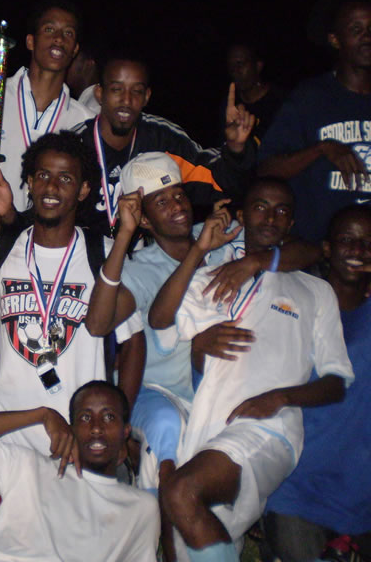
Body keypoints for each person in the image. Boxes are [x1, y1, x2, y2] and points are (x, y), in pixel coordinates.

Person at [85, 153, 320, 560]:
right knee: (167, 430)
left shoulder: (219, 231)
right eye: (160, 202)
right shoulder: (143, 267)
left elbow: (308, 250)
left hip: (219, 391)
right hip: (159, 392)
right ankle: (159, 546)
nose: (176, 206)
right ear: (144, 220)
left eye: (178, 195)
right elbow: (98, 323)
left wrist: (254, 260)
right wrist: (125, 235)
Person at [150, 178, 354, 561]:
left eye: (281, 211)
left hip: (269, 428)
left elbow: (336, 382)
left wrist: (281, 397)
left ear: (291, 223)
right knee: (186, 543)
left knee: (181, 491)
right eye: (260, 207)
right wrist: (198, 341)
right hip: (207, 425)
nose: (271, 218)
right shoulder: (214, 276)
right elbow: (160, 318)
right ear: (242, 216)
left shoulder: (314, 289)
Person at [0, 381, 160, 561]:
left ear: (125, 431)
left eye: (109, 417)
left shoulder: (141, 507)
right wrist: (40, 415)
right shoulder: (32, 467)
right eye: (85, 417)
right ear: (71, 429)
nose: (96, 428)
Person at [265, 205, 371, 562]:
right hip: (298, 484)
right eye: (347, 240)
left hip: (366, 487)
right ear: (326, 249)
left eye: (369, 243)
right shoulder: (294, 303)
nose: (358, 251)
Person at [0, 131, 108, 454]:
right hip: (9, 424)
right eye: (43, 175)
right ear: (29, 182)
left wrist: (121, 421)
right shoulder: (3, 250)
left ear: (83, 190)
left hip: (77, 427)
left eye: (65, 178)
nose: (51, 187)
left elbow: (133, 339)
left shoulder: (102, 253)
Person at [79, 54, 257, 238]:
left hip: (142, 253)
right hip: (78, 251)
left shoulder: (162, 138)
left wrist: (236, 149)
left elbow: (216, 181)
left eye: (137, 91)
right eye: (117, 89)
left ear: (147, 97)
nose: (126, 100)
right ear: (99, 94)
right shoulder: (77, 144)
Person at [258, 0, 371, 242]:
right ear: (335, 40)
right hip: (315, 250)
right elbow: (266, 169)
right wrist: (322, 149)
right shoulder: (309, 98)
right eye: (356, 29)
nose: (367, 37)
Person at [0, 0, 93, 212]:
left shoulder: (85, 120)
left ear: (75, 49)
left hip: (44, 233)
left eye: (68, 33)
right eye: (49, 29)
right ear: (31, 41)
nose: (59, 38)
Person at [221, 42, 286, 143]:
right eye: (231, 65)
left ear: (258, 66)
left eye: (240, 63)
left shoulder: (282, 102)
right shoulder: (230, 107)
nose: (234, 70)